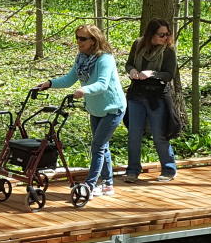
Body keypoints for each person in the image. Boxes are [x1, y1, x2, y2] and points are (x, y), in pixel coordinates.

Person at [38, 24, 126, 197]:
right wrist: (50, 83)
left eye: (83, 39)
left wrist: (84, 90)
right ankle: (108, 184)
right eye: (77, 38)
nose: (79, 42)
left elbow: (102, 84)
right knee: (102, 146)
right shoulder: (81, 58)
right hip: (95, 109)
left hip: (113, 108)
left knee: (98, 146)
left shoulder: (105, 59)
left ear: (94, 40)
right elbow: (70, 79)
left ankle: (90, 185)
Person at [123, 18, 181, 183]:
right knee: (134, 134)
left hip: (157, 96)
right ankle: (133, 170)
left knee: (159, 135)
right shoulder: (138, 44)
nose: (165, 38)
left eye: (167, 34)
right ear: (151, 34)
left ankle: (169, 169)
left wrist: (152, 74)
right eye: (161, 34)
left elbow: (169, 75)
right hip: (136, 94)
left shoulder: (168, 51)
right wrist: (133, 70)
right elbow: (128, 64)